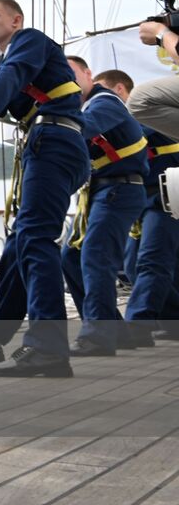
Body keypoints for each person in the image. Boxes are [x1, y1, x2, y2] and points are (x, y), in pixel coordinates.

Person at [0, 0, 89, 377]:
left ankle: (47, 348)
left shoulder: (27, 41)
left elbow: (9, 81)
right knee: (21, 243)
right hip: (48, 142)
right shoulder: (7, 62)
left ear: (16, 20)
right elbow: (4, 90)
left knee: (34, 239)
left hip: (53, 140)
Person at [60, 57, 149, 356]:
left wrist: (49, 122)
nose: (67, 81)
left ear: (89, 75)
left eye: (71, 74)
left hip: (118, 189)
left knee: (96, 256)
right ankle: (115, 330)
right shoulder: (83, 106)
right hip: (101, 191)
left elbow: (83, 129)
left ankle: (98, 336)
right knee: (70, 256)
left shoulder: (105, 101)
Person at [97, 70, 179, 347]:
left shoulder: (147, 113)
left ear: (119, 89)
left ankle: (138, 323)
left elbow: (134, 136)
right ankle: (172, 317)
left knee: (153, 258)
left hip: (171, 189)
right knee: (134, 262)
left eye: (103, 92)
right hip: (142, 192)